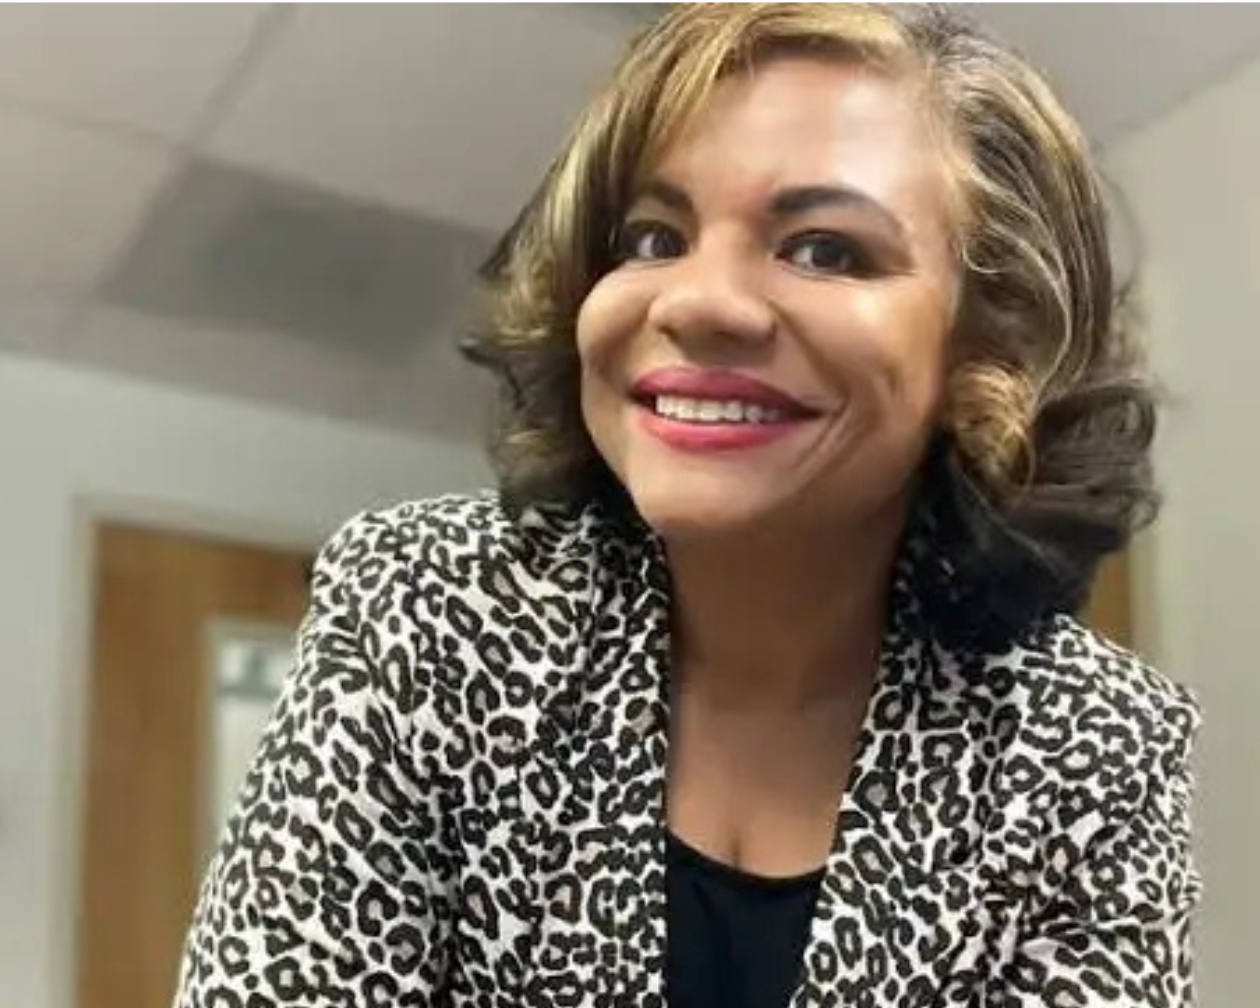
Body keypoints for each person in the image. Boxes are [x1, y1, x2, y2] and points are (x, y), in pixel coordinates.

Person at [173, 4, 1201, 1007]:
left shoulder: (1094, 747)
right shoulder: (424, 616)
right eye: (654, 238)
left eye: (825, 248)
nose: (694, 299)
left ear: (991, 350)